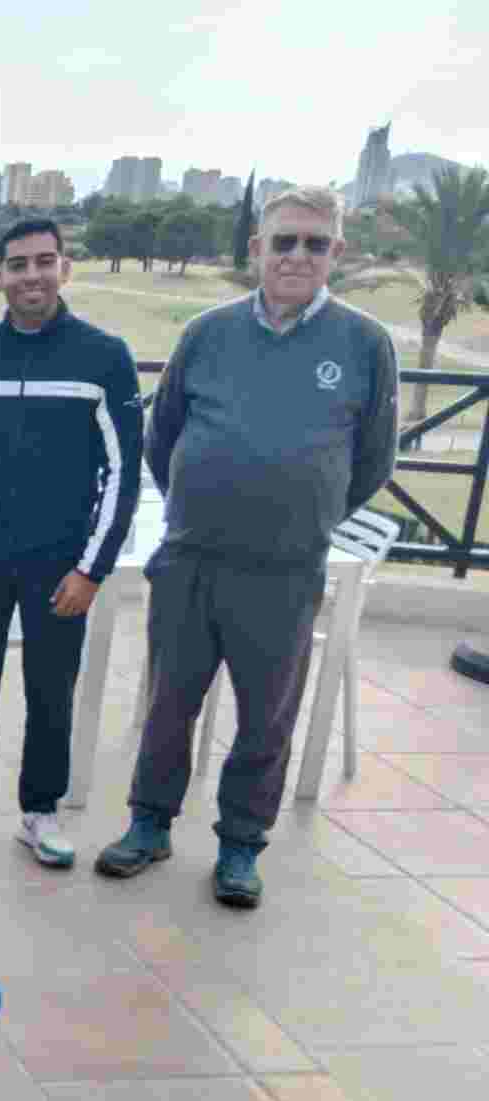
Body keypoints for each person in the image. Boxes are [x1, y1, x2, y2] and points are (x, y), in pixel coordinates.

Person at [97, 187, 398, 908]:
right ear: (257, 248)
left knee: (267, 716)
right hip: (192, 558)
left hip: (285, 570)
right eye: (284, 241)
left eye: (315, 244)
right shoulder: (207, 332)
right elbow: (161, 434)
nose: (298, 255)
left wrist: (307, 510)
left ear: (337, 255)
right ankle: (149, 823)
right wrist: (200, 502)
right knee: (170, 702)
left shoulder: (365, 345)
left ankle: (240, 845)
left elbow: (374, 460)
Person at [0, 218, 143, 867]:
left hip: (59, 564)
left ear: (63, 268)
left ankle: (39, 811)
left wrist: (92, 569)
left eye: (44, 261)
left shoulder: (104, 356)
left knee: (51, 688)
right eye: (17, 264)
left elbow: (124, 471)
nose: (31, 274)